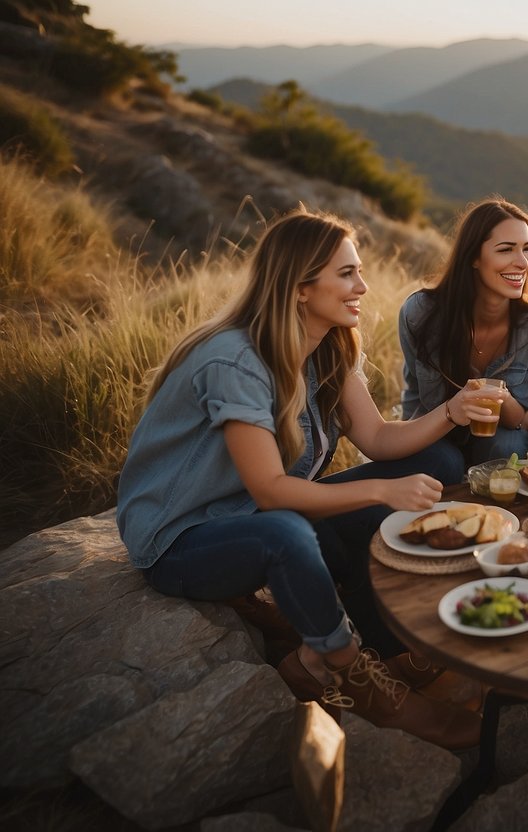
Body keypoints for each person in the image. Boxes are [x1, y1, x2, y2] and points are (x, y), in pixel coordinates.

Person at [116, 209, 485, 750]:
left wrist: (451, 412)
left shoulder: (330, 347)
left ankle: (379, 645)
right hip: (183, 537)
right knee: (290, 535)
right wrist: (381, 491)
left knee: (441, 464)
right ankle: (349, 673)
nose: (363, 286)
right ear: (299, 288)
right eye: (347, 274)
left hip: (264, 512)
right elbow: (268, 488)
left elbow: (379, 440)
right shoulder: (235, 360)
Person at [398, 198, 528, 473]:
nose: (521, 262)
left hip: (497, 431)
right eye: (506, 250)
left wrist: (499, 395)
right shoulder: (421, 313)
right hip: (434, 422)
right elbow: (431, 401)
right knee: (446, 461)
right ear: (473, 258)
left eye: (527, 249)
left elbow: (516, 417)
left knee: (505, 447)